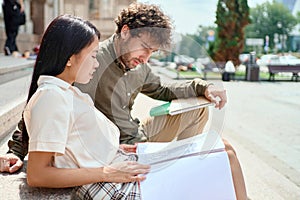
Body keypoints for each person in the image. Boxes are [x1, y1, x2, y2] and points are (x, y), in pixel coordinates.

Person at [1, 3, 247, 199]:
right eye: (144, 48)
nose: (146, 57)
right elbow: (40, 115)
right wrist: (15, 152)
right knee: (223, 157)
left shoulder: (132, 69)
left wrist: (203, 86)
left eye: (153, 52)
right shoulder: (79, 72)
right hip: (111, 159)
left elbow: (162, 89)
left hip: (127, 144)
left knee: (213, 134)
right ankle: (183, 171)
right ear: (126, 32)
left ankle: (182, 166)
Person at [21, 14, 149, 199]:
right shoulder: (51, 97)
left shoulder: (66, 92)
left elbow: (76, 142)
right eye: (94, 56)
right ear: (70, 58)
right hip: (109, 183)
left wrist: (114, 147)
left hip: (117, 167)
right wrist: (107, 172)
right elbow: (37, 174)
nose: (97, 64)